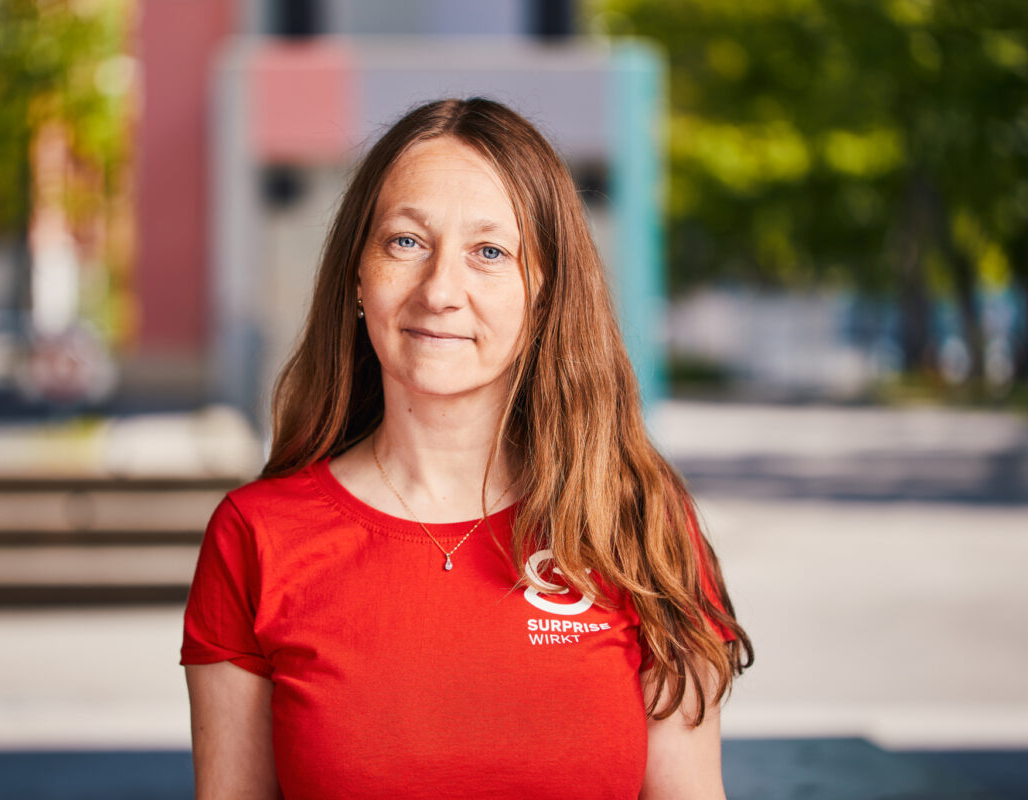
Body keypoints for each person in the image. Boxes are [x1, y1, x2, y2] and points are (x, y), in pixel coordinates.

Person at [180, 97, 752, 799]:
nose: (441, 290)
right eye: (406, 242)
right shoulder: (257, 539)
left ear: (542, 294)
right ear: (359, 277)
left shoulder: (636, 521)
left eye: (489, 252)